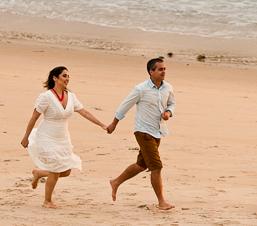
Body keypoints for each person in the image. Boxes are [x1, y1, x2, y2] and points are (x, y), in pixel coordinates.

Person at [21, 66, 108, 208]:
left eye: (68, 76)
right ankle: (47, 201)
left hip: (63, 138)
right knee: (56, 170)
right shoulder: (46, 97)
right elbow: (34, 117)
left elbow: (85, 113)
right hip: (47, 136)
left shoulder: (71, 97)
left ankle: (39, 173)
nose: (67, 79)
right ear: (55, 78)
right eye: (64, 76)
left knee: (66, 171)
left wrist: (102, 125)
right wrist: (26, 136)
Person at [106, 57, 176, 210]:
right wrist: (113, 124)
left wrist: (169, 112)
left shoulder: (168, 88)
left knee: (141, 165)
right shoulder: (141, 88)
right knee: (156, 167)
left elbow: (172, 103)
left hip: (158, 132)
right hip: (143, 132)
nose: (164, 71)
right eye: (160, 69)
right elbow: (125, 106)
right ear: (151, 72)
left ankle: (116, 181)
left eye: (164, 69)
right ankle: (161, 202)